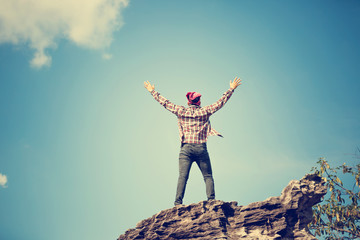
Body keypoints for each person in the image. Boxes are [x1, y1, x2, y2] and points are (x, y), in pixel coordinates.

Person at [144, 77, 242, 206]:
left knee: (183, 177)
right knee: (207, 176)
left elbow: (166, 103)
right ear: (199, 101)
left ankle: (178, 203)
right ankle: (211, 200)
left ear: (188, 102)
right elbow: (220, 102)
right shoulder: (205, 111)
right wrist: (231, 89)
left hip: (186, 149)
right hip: (201, 148)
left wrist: (152, 91)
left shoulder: (181, 111)